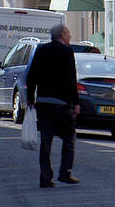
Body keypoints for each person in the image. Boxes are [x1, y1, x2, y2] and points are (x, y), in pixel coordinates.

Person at [25, 22, 80, 188]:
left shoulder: (41, 50)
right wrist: (75, 103)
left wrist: (31, 98)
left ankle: (45, 177)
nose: (70, 37)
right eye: (68, 34)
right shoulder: (66, 51)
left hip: (43, 102)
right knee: (69, 137)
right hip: (60, 103)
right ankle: (65, 172)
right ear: (62, 35)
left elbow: (31, 75)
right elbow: (71, 79)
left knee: (46, 142)